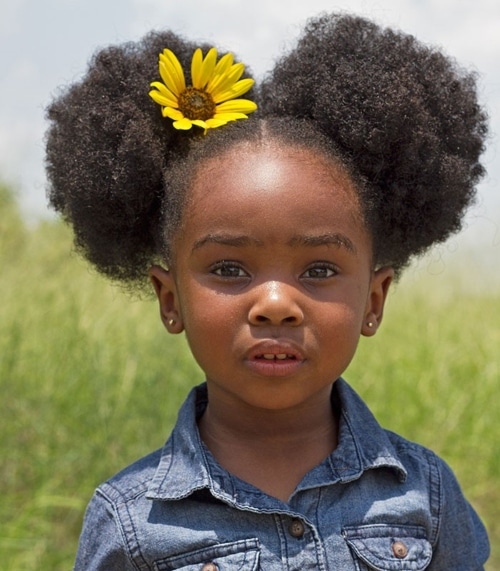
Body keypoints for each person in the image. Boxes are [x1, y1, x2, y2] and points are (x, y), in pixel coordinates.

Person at [45, 12, 490, 570]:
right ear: (169, 298)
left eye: (320, 270)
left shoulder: (427, 497)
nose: (276, 304)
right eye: (230, 269)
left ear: (374, 300)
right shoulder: (131, 522)